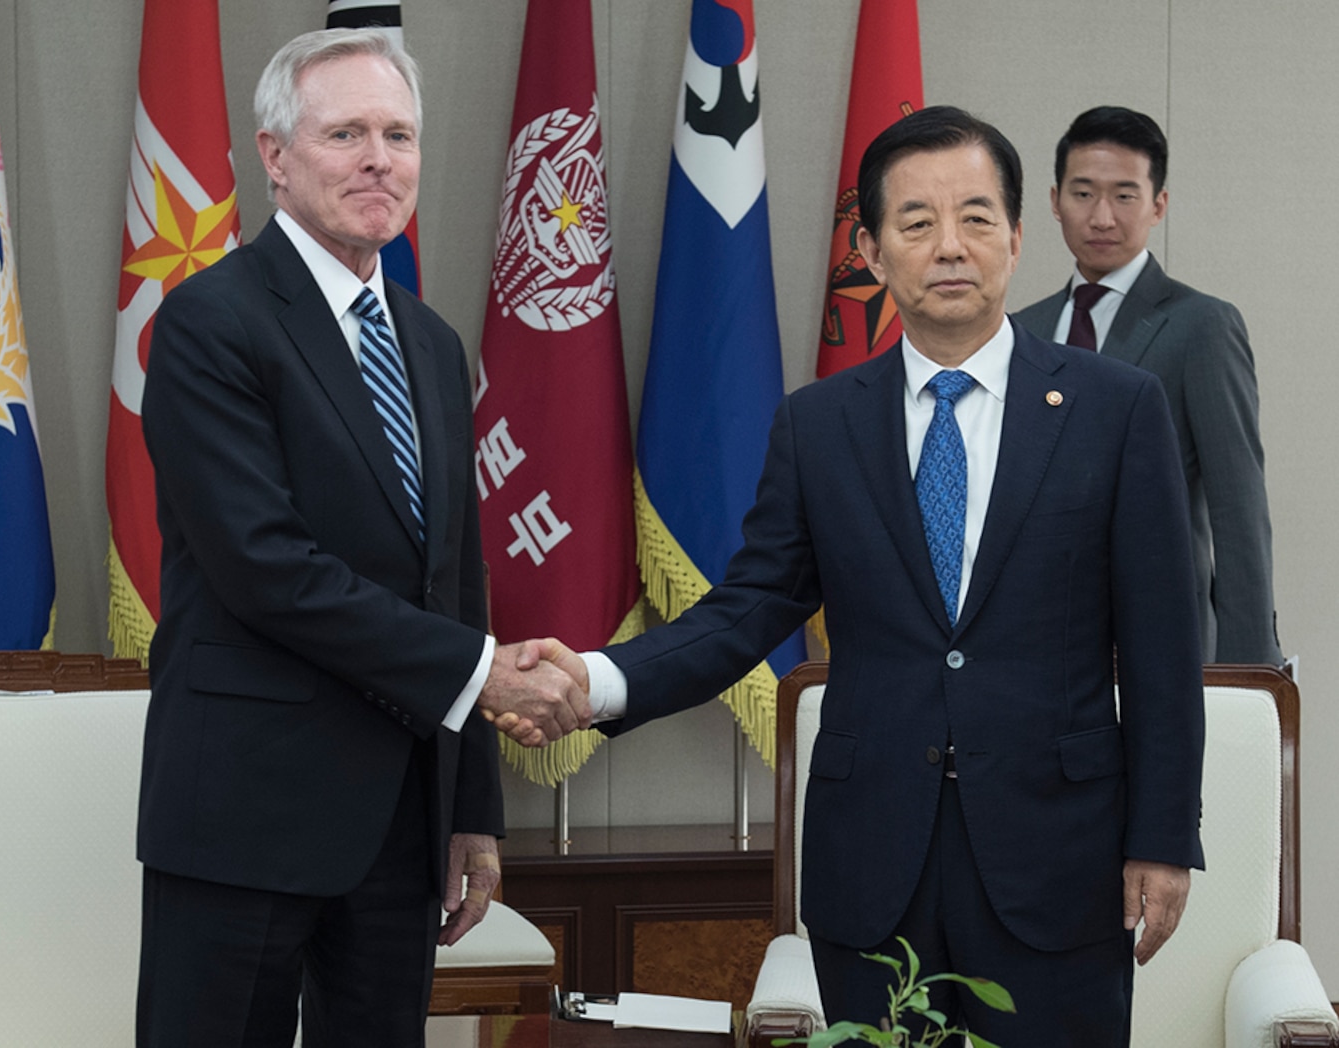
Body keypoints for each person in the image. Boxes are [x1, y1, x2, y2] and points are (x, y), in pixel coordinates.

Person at [514, 107, 1205, 1047]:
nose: (949, 246)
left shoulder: (1116, 410)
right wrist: (597, 679)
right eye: (916, 224)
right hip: (876, 862)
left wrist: (1162, 841)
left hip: (1059, 858)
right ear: (874, 254)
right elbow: (748, 608)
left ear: (1016, 235)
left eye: (975, 217)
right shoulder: (820, 424)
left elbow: (1164, 648)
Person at [135, 28, 587, 1048]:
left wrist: (471, 805)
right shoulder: (209, 323)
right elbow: (265, 570)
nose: (379, 158)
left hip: (398, 820)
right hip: (244, 815)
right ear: (276, 156)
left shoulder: (428, 342)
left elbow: (454, 580)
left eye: (398, 133)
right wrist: (485, 673)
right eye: (345, 133)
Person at [1014, 105, 1281, 665]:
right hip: (1034, 642)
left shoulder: (1200, 325)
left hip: (1160, 640)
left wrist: (1249, 667)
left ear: (1158, 204)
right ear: (1054, 200)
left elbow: (1239, 507)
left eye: (1125, 195)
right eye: (1083, 193)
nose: (1103, 217)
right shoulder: (1020, 332)